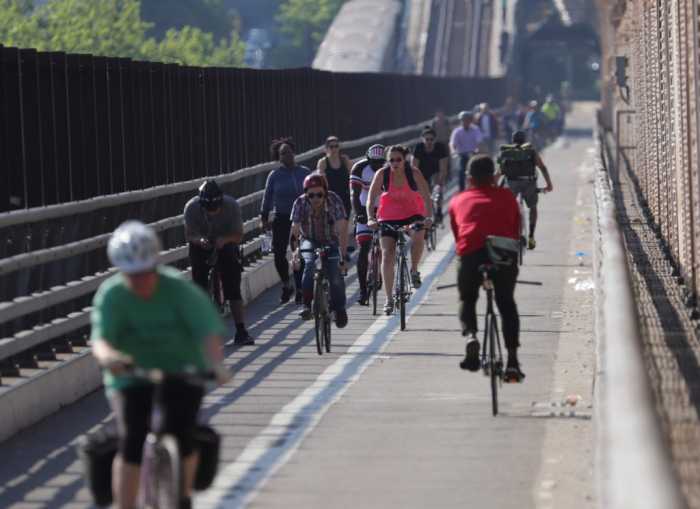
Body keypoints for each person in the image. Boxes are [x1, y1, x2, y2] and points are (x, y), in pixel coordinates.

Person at [90, 221, 230, 509]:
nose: (140, 281)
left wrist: (216, 365)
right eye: (132, 275)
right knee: (131, 440)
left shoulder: (179, 290)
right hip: (131, 374)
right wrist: (109, 358)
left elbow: (208, 331)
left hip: (181, 369)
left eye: (146, 272)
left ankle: (182, 496)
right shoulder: (111, 295)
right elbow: (101, 340)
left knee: (183, 431)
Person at [448, 155, 524, 382]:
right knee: (506, 303)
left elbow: (458, 238)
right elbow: (516, 230)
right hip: (502, 253)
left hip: (471, 255)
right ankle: (512, 361)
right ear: (494, 177)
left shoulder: (458, 200)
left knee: (467, 298)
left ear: (469, 178)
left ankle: (471, 336)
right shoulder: (508, 197)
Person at [184, 179, 253, 346]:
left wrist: (224, 240)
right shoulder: (191, 208)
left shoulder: (232, 206)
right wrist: (200, 240)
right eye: (208, 209)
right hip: (201, 243)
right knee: (199, 285)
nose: (213, 212)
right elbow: (189, 235)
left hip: (226, 241)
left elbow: (239, 235)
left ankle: (241, 330)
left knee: (233, 285)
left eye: (215, 208)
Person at [366, 145, 433, 314]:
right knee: (387, 254)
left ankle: (414, 270)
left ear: (405, 160)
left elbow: (426, 196)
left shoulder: (414, 173)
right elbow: (371, 198)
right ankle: (389, 299)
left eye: (398, 160)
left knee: (418, 235)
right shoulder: (382, 174)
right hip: (388, 215)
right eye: (391, 160)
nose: (395, 163)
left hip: (413, 213)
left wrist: (429, 217)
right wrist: (370, 218)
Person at [290, 173, 349, 327]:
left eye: (319, 194)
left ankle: (339, 308)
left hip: (331, 240)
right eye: (311, 195)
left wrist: (343, 257)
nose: (315, 198)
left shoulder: (334, 200)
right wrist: (295, 255)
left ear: (325, 192)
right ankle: (306, 304)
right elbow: (294, 231)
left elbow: (342, 228)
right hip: (309, 239)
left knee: (335, 273)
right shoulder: (300, 203)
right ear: (306, 194)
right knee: (309, 265)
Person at [260, 138, 310, 304]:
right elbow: (267, 197)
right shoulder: (274, 175)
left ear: (294, 153)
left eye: (289, 152)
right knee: (279, 254)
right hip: (281, 217)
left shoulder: (304, 172)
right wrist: (264, 218)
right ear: (278, 157)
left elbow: (313, 192)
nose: (287, 155)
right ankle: (287, 285)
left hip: (301, 218)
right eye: (283, 153)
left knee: (299, 252)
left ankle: (300, 287)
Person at [497, 130, 554, 249]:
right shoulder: (531, 151)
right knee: (533, 207)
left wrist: (493, 188)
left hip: (512, 183)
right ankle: (531, 236)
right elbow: (542, 168)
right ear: (525, 140)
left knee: (506, 208)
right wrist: (549, 184)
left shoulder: (506, 153)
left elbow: (499, 172)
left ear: (512, 140)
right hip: (529, 183)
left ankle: (509, 233)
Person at [351, 144, 386, 305]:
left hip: (384, 208)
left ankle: (382, 270)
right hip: (364, 207)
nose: (377, 166)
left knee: (387, 245)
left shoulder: (389, 169)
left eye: (380, 163)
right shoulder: (359, 168)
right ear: (368, 159)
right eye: (373, 162)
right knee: (364, 248)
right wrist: (359, 214)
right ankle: (363, 290)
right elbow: (354, 194)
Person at [316, 136, 353, 221]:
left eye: (336, 146)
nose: (334, 149)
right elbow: (321, 179)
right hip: (331, 197)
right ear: (326, 148)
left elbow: (352, 176)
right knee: (333, 222)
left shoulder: (345, 160)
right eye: (331, 147)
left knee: (345, 222)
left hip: (345, 196)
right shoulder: (323, 162)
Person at [450, 110, 484, 191]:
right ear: (461, 121)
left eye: (467, 119)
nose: (465, 121)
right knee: (461, 171)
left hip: (473, 153)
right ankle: (461, 190)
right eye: (463, 120)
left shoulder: (475, 129)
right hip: (462, 154)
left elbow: (479, 141)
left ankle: (479, 188)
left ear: (470, 120)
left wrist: (478, 149)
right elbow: (452, 143)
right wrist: (453, 151)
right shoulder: (457, 131)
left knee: (477, 171)